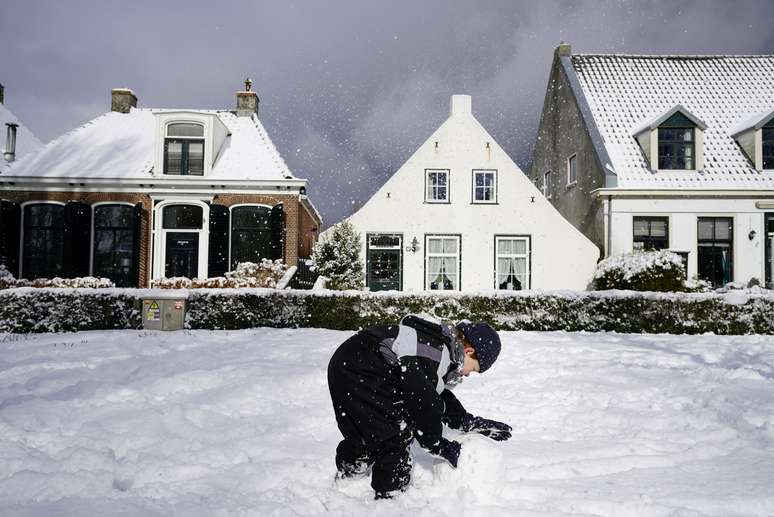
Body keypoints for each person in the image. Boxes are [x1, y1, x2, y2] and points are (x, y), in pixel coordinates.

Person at [327, 314, 511, 499]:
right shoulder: (436, 353)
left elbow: (432, 392)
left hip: (348, 365)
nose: (469, 374)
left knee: (366, 431)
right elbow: (424, 402)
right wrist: (438, 444)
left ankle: (350, 475)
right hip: (362, 370)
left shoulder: (437, 345)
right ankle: (389, 500)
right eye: (474, 368)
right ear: (469, 351)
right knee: (395, 437)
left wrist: (465, 420)